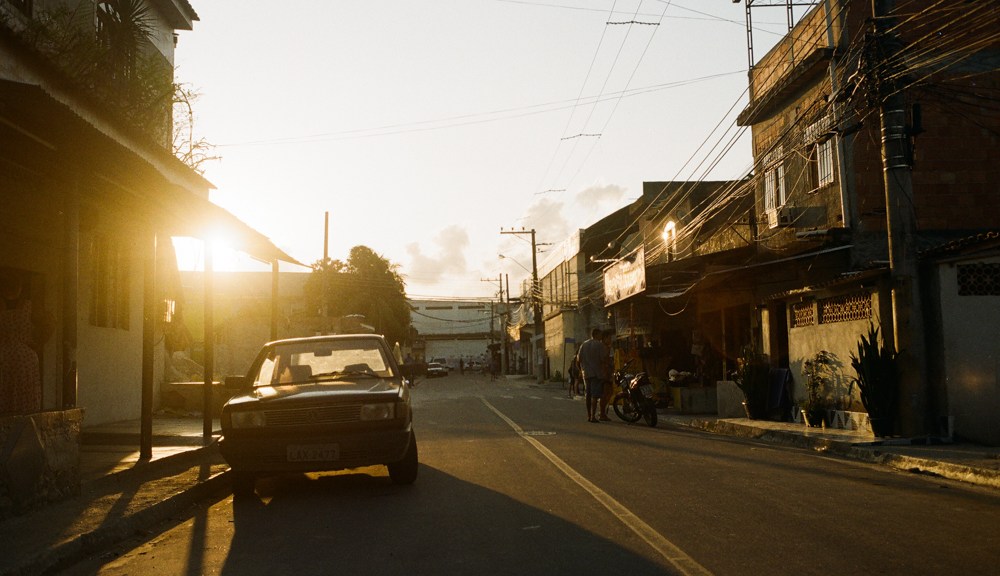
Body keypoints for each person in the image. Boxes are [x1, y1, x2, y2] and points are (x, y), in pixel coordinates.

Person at [576, 327, 609, 423]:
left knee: (588, 395)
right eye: (600, 335)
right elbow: (604, 359)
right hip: (596, 374)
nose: (601, 336)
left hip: (586, 373)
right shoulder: (599, 345)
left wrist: (581, 370)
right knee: (595, 395)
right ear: (596, 335)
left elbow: (578, 360)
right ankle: (593, 416)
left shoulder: (584, 345)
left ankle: (588, 415)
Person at [598, 330, 614, 421]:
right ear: (604, 338)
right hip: (604, 373)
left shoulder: (608, 347)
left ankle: (602, 412)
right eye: (609, 338)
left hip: (607, 372)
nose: (610, 340)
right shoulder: (603, 348)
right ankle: (602, 413)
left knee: (609, 392)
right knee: (605, 393)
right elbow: (605, 360)